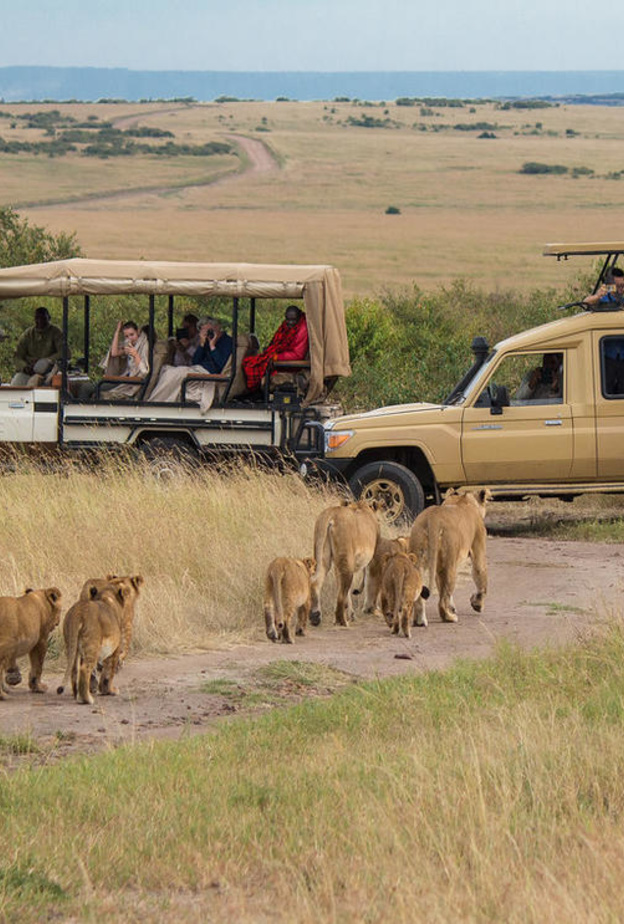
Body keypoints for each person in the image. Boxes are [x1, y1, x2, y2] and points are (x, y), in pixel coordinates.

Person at [147, 316, 232, 408]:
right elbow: (195, 361)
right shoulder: (207, 340)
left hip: (208, 373)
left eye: (209, 330)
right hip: (197, 370)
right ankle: (158, 400)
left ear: (217, 327)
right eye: (203, 331)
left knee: (175, 373)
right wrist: (202, 344)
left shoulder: (228, 342)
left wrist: (212, 346)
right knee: (166, 369)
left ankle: (154, 403)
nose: (207, 333)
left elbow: (221, 363)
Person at [77, 319, 149, 400]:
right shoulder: (130, 346)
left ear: (138, 332)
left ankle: (80, 407)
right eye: (126, 336)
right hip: (123, 379)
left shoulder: (143, 347)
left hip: (129, 383)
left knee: (86, 388)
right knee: (86, 387)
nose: (130, 338)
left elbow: (144, 371)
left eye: (132, 335)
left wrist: (135, 355)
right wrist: (117, 332)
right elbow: (114, 353)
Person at [242, 305, 309, 392]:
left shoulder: (302, 329)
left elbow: (298, 354)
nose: (290, 323)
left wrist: (277, 357)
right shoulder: (285, 326)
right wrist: (270, 351)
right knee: (251, 363)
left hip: (292, 365)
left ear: (299, 317)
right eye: (288, 319)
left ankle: (295, 380)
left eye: (293, 320)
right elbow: (276, 342)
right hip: (283, 360)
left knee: (262, 371)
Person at [11, 306, 64, 386]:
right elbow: (17, 356)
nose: (40, 321)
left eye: (43, 318)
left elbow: (64, 352)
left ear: (49, 318)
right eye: (37, 318)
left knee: (41, 383)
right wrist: (24, 367)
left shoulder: (56, 332)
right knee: (16, 384)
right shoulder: (28, 334)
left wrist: (48, 360)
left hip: (49, 372)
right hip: (29, 371)